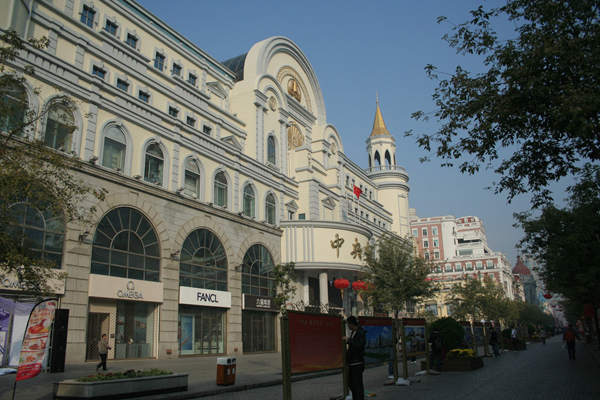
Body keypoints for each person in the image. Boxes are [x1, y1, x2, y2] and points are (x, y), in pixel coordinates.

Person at [342, 316, 365, 400]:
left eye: (348, 324)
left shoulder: (360, 333)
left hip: (357, 362)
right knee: (352, 384)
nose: (347, 326)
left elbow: (359, 344)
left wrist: (348, 340)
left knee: (357, 384)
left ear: (351, 324)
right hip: (352, 363)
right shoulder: (354, 332)